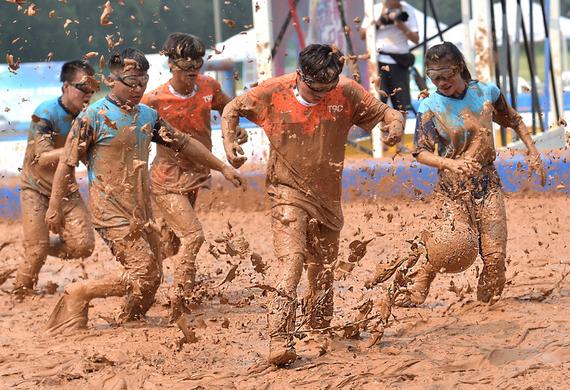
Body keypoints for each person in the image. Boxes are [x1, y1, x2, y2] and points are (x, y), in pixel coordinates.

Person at [222, 44, 404, 366]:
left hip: (327, 198)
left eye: (328, 89)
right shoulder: (272, 92)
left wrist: (394, 125)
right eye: (315, 89)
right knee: (292, 262)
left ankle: (320, 328)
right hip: (286, 192)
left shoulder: (346, 91)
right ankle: (279, 337)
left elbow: (386, 113)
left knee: (322, 272)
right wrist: (230, 143)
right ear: (300, 76)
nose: (322, 95)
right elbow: (231, 108)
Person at [44, 47, 244, 334]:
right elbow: (66, 165)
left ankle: (130, 319)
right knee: (146, 273)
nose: (138, 89)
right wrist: (54, 208)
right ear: (111, 81)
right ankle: (80, 291)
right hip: (110, 212)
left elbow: (184, 143)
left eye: (143, 82)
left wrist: (222, 167)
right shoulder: (93, 117)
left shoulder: (148, 116)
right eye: (131, 82)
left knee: (154, 278)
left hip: (142, 211)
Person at [367, 41, 546, 308]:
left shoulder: (486, 93)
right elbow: (421, 152)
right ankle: (419, 286)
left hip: (487, 183)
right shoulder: (430, 106)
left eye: (446, 75)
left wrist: (533, 152)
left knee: (495, 257)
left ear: (460, 68)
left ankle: (485, 309)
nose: (441, 82)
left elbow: (514, 120)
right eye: (434, 77)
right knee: (451, 244)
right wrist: (449, 164)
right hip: (452, 188)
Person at [141, 33, 247, 322]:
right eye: (186, 63)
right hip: (166, 180)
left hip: (196, 176)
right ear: (171, 63)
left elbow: (229, 108)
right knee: (193, 236)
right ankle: (182, 297)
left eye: (197, 62)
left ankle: (140, 280)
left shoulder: (209, 87)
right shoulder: (154, 100)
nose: (192, 68)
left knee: (171, 244)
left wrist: (235, 129)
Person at [14, 60, 98, 298]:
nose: (88, 94)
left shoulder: (90, 116)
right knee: (36, 250)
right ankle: (21, 289)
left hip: (65, 189)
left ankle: (37, 245)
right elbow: (42, 158)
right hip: (35, 188)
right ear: (65, 87)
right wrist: (75, 148)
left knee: (84, 246)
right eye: (83, 87)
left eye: (92, 89)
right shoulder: (45, 113)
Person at [360, 0, 419, 151]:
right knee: (379, 101)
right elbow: (362, 34)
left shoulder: (407, 10)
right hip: (378, 61)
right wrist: (380, 21)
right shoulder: (375, 9)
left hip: (400, 61)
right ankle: (382, 142)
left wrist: (401, 25)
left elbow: (415, 38)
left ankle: (399, 143)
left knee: (402, 103)